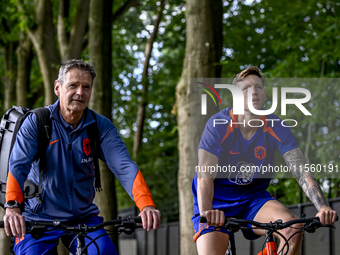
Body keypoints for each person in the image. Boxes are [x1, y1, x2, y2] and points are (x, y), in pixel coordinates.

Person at [3, 59, 161, 254]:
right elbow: (18, 167)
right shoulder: (37, 122)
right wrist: (12, 207)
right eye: (73, 86)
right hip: (38, 218)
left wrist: (146, 205)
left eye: (86, 87)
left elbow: (125, 167)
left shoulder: (100, 126)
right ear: (57, 88)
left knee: (104, 251)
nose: (80, 92)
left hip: (82, 217)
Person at [191, 66, 337, 255]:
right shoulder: (218, 125)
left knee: (292, 230)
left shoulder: (276, 125)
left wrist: (323, 206)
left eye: (258, 86)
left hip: (253, 198)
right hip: (216, 202)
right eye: (246, 88)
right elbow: (204, 175)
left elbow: (301, 171)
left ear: (265, 95)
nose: (254, 91)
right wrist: (207, 212)